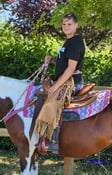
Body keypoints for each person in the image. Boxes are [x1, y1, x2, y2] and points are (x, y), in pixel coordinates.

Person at [34, 13, 85, 154]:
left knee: (51, 103)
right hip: (64, 80)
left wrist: (55, 87)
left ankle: (54, 141)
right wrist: (52, 60)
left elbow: (70, 69)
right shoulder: (68, 41)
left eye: (69, 24)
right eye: (64, 24)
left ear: (76, 25)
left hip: (71, 81)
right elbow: (65, 63)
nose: (66, 27)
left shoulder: (76, 42)